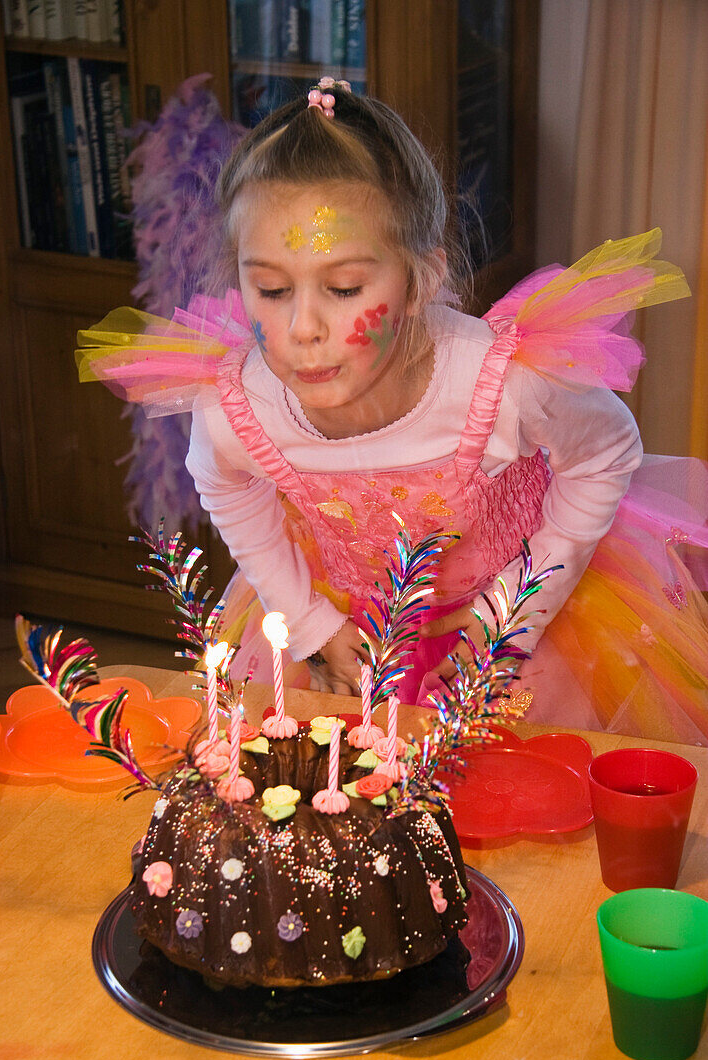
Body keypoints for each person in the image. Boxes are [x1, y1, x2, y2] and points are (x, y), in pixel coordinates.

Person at [77, 79, 708, 745]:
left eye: (344, 288)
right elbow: (225, 487)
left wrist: (512, 620)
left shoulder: (499, 383)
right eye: (270, 288)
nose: (303, 327)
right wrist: (313, 625)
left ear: (422, 281)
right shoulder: (240, 407)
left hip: (521, 632)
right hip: (346, 636)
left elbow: (605, 455)